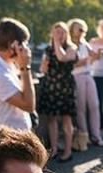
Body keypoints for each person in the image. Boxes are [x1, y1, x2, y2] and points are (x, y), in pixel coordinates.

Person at [39, 21, 77, 163]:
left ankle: (68, 150)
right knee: (52, 118)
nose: (59, 35)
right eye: (56, 32)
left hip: (65, 86)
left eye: (62, 32)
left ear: (66, 33)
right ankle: (54, 149)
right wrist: (44, 65)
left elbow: (62, 58)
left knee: (66, 118)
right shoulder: (48, 50)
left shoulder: (71, 47)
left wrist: (56, 42)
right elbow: (43, 70)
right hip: (51, 85)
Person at [69, 19, 103, 149]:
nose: (81, 32)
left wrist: (98, 55)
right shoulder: (70, 45)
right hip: (77, 76)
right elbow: (70, 65)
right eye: (79, 29)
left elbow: (93, 59)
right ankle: (85, 136)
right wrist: (83, 61)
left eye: (82, 29)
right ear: (72, 30)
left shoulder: (85, 44)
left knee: (94, 105)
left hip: (88, 75)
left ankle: (96, 135)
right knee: (81, 108)